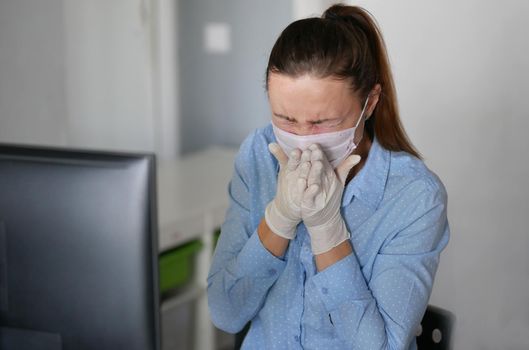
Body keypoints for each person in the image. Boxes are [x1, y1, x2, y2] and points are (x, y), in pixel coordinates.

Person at [207, 4, 450, 349]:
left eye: (322, 122)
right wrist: (278, 220)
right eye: (286, 119)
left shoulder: (414, 195)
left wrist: (327, 232)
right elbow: (225, 312)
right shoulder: (258, 154)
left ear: (369, 103)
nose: (303, 138)